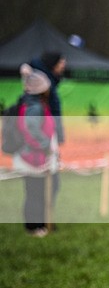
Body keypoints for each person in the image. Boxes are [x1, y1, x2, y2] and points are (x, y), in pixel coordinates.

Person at [13, 64, 58, 237]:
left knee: (38, 192)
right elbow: (31, 130)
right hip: (33, 157)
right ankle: (34, 227)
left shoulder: (33, 104)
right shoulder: (34, 107)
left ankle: (41, 224)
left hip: (34, 156)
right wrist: (46, 145)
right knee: (35, 193)